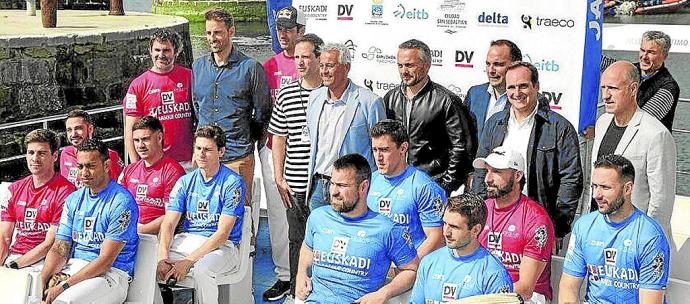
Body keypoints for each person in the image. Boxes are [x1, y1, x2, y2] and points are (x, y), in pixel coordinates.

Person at [471, 62, 583, 242]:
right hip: (495, 221)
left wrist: (557, 228)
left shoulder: (560, 128)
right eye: (511, 87)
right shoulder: (494, 123)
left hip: (538, 223)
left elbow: (570, 180)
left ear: (536, 86)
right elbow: (480, 172)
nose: (517, 93)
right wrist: (479, 216)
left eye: (523, 86)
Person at [295, 154, 419, 303]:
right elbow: (308, 247)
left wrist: (384, 293)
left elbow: (411, 270)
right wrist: (301, 274)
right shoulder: (318, 217)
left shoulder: (388, 229)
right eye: (332, 183)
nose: (333, 192)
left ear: (363, 187)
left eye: (342, 186)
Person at [559, 154, 670, 304]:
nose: (596, 195)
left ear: (628, 188)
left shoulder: (650, 236)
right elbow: (568, 287)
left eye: (605, 187)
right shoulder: (583, 226)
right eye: (594, 186)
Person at [40, 139, 139, 304]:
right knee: (29, 294)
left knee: (63, 302)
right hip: (74, 268)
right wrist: (42, 280)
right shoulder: (73, 199)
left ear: (107, 166)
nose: (84, 173)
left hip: (111, 275)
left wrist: (64, 286)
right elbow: (60, 248)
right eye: (80, 167)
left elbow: (105, 261)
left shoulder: (122, 202)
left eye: (91, 166)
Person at [156, 126, 245, 304]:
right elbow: (168, 224)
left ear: (221, 151)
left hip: (222, 248)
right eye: (198, 149)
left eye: (208, 150)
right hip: (187, 240)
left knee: (202, 270)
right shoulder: (185, 181)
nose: (201, 154)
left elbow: (222, 234)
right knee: (146, 264)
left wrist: (189, 261)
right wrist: (162, 257)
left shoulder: (232, 183)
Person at [193, 8, 271, 204]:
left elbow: (262, 112)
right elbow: (196, 106)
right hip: (203, 159)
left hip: (237, 156)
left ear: (231, 31)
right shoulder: (197, 67)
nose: (212, 38)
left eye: (218, 32)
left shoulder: (251, 68)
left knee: (240, 219)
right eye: (209, 33)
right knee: (203, 215)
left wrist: (244, 137)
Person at [268, 33, 324, 300]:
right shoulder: (286, 93)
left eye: (306, 56)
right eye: (297, 57)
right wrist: (278, 176)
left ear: (318, 58)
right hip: (294, 183)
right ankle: (295, 294)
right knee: (296, 239)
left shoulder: (330, 93)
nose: (300, 62)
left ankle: (323, 294)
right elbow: (278, 137)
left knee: (324, 242)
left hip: (324, 186)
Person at [590, 61, 676, 235]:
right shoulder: (602, 122)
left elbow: (661, 200)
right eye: (603, 88)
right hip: (599, 229)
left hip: (634, 234)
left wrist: (644, 238)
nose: (605, 96)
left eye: (613, 88)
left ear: (633, 89)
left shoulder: (656, 134)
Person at [383, 39, 476, 195]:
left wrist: (444, 186)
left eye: (410, 65)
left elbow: (461, 148)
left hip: (432, 184)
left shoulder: (446, 100)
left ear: (426, 65)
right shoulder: (390, 99)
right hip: (396, 185)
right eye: (400, 65)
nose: (404, 71)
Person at [260, 6, 306, 301]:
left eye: (289, 29)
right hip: (273, 148)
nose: (284, 34)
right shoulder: (267, 66)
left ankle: (311, 274)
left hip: (306, 151)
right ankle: (284, 275)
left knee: (307, 214)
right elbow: (262, 110)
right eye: (280, 29)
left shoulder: (312, 62)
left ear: (300, 31)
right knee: (278, 213)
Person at [305, 42, 385, 210]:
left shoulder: (370, 102)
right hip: (319, 186)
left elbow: (380, 150)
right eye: (321, 66)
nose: (324, 71)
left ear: (346, 67)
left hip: (352, 188)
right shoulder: (314, 98)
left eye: (330, 66)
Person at [474, 146, 555, 303]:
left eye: (496, 171)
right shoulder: (481, 209)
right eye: (487, 171)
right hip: (482, 291)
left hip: (526, 297)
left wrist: (478, 294)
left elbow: (525, 288)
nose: (487, 179)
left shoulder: (536, 219)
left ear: (517, 175)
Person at [410, 193, 513, 303]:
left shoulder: (494, 274)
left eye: (454, 227)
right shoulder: (429, 261)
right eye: (445, 224)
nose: (446, 232)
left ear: (475, 230)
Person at [367, 119, 445, 258]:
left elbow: (436, 238)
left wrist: (407, 266)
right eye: (375, 150)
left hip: (408, 269)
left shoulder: (423, 186)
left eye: (384, 150)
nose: (378, 157)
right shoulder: (370, 182)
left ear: (403, 148)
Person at [0, 129, 76, 272]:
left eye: (41, 153)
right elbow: (4, 237)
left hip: (46, 261)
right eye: (31, 152)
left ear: (55, 156)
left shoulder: (66, 192)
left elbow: (50, 243)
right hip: (15, 257)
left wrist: (15, 266)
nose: (35, 158)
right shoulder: (14, 189)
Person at [123, 29, 194, 170]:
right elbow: (130, 130)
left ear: (176, 51)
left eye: (166, 50)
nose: (161, 55)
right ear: (150, 51)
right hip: (154, 163)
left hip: (188, 162)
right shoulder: (137, 85)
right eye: (157, 50)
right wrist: (136, 165)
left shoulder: (190, 77)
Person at [601, 30, 680, 131]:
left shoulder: (669, 87)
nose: (644, 56)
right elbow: (600, 62)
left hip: (649, 141)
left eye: (651, 52)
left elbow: (643, 120)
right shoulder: (630, 69)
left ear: (664, 56)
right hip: (624, 133)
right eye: (642, 50)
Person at [118, 116, 185, 235]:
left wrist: (138, 231)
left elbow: (171, 216)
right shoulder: (129, 170)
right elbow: (117, 206)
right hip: (127, 231)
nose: (140, 145)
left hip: (155, 236)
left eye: (145, 139)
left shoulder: (173, 171)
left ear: (159, 137)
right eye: (136, 140)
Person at [464, 39, 522, 136]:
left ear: (516, 66)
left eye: (498, 64)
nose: (491, 70)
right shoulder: (474, 94)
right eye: (488, 64)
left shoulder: (527, 99)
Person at [60, 109, 124, 187]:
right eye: (69, 130)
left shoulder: (109, 155)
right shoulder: (66, 153)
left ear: (90, 129)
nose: (73, 134)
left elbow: (116, 187)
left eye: (78, 128)